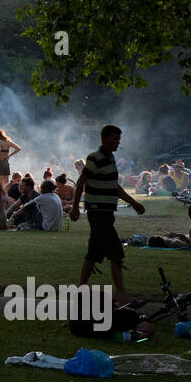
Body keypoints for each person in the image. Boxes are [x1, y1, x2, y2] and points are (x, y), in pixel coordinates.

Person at [70, 124, 145, 301]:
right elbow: (81, 182)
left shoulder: (110, 159)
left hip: (106, 212)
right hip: (98, 212)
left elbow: (114, 187)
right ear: (104, 139)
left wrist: (133, 202)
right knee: (116, 252)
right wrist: (75, 207)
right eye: (114, 139)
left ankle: (81, 289)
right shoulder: (94, 158)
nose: (117, 143)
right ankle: (121, 292)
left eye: (118, 140)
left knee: (94, 251)